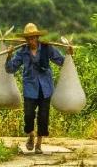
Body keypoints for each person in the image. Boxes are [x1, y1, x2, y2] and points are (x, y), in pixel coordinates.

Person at [5, 22, 72, 153]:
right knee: (29, 115)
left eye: (34, 37)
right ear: (25, 39)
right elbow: (10, 69)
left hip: (46, 88)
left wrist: (70, 54)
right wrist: (9, 55)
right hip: (30, 87)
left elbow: (62, 61)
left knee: (43, 116)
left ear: (37, 37)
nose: (32, 40)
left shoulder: (47, 48)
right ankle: (30, 135)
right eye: (29, 38)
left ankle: (39, 144)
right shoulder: (22, 52)